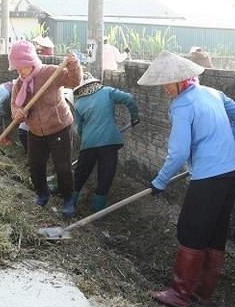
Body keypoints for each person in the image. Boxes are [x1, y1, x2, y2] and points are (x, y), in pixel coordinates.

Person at [138, 50, 235, 307]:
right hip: (230, 172)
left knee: (191, 229)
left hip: (208, 177)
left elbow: (178, 152)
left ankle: (179, 295)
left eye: (168, 83)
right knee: (215, 231)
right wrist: (228, 148)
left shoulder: (182, 105)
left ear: (182, 80)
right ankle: (202, 293)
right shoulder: (213, 93)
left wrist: (160, 181)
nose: (165, 88)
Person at [9, 40, 82, 216]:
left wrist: (73, 65)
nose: (20, 71)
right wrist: (18, 112)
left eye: (23, 66)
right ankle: (42, 194)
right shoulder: (19, 84)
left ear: (32, 62)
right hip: (35, 130)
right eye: (17, 68)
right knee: (35, 165)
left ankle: (67, 199)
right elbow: (14, 105)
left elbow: (74, 80)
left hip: (59, 127)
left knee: (62, 167)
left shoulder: (50, 72)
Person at [71, 72, 140, 215]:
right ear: (94, 83)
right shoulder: (107, 91)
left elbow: (80, 128)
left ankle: (70, 206)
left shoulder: (79, 103)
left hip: (88, 144)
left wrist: (86, 143)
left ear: (80, 88)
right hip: (109, 141)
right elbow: (128, 98)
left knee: (80, 175)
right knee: (105, 176)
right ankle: (98, 214)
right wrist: (134, 117)